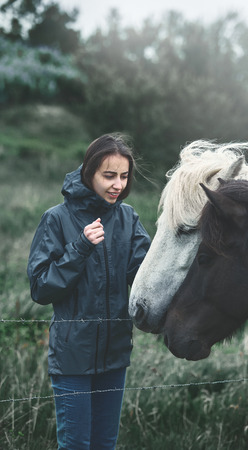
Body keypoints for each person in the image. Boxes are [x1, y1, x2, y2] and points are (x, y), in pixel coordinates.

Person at [27, 134, 151, 449]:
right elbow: (40, 288)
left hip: (115, 355)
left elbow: (146, 277)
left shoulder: (128, 218)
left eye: (124, 176)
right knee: (76, 445)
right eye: (109, 175)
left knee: (104, 444)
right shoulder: (57, 218)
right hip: (72, 358)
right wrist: (80, 248)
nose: (118, 184)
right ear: (89, 172)